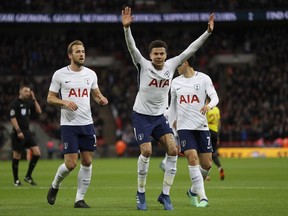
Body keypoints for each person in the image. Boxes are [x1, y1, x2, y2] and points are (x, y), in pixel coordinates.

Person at [121, 6, 214, 211]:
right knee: (146, 151)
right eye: (155, 54)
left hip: (158, 117)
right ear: (150, 55)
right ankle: (141, 192)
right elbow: (131, 48)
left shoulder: (172, 65)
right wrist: (127, 29)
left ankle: (165, 195)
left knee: (174, 150)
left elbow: (191, 49)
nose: (159, 57)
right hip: (141, 116)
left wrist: (207, 33)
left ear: (166, 54)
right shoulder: (143, 65)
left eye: (162, 53)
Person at [46, 40, 108, 208]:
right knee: (71, 164)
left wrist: (101, 99)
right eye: (78, 51)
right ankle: (55, 185)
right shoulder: (60, 74)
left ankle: (79, 199)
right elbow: (50, 98)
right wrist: (64, 102)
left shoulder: (91, 74)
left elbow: (96, 94)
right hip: (69, 125)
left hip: (87, 124)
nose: (81, 54)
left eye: (83, 51)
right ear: (70, 55)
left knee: (87, 161)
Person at [166, 55, 219, 208]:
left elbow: (215, 97)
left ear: (186, 62)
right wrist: (169, 129)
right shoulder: (175, 83)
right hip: (184, 128)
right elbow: (173, 108)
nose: (176, 67)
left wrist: (209, 106)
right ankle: (203, 198)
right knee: (192, 158)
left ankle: (192, 191)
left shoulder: (203, 79)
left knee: (207, 165)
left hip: (202, 127)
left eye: (178, 64)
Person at [9, 84, 42, 186]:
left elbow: (39, 111)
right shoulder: (15, 103)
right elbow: (12, 117)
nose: (27, 93)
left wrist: (34, 98)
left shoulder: (28, 103)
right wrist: (18, 130)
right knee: (17, 155)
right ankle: (16, 180)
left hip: (27, 132)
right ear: (20, 91)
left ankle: (28, 176)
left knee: (37, 153)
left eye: (29, 91)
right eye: (25, 91)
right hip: (18, 132)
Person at [206, 104, 225, 180]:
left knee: (205, 154)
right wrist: (218, 136)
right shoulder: (217, 109)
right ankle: (220, 168)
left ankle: (206, 175)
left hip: (208, 132)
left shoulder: (206, 109)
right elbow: (219, 123)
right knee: (213, 154)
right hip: (215, 132)